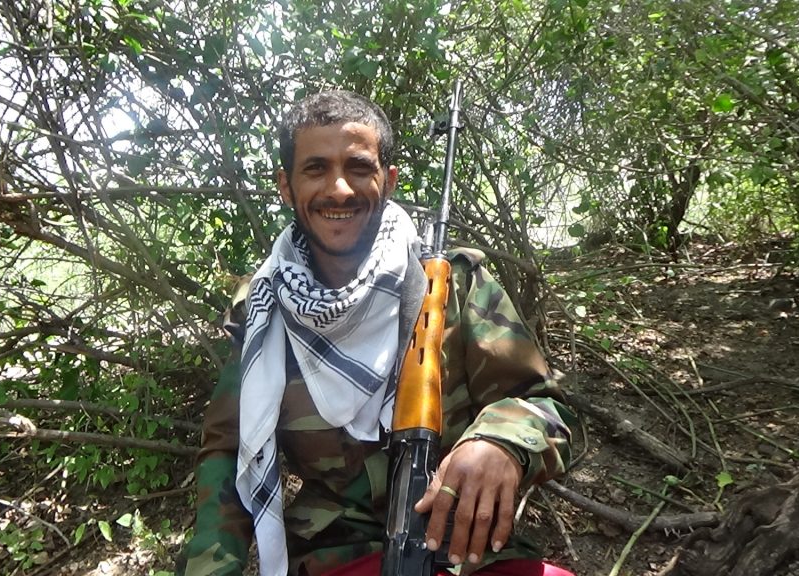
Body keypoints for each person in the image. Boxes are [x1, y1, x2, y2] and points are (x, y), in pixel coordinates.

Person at [177, 90, 575, 576]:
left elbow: (547, 408)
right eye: (315, 169)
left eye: (359, 167)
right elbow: (226, 452)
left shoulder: (452, 285)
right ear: (286, 187)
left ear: (388, 181)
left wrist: (501, 444)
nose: (339, 189)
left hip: (466, 551)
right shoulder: (262, 312)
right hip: (335, 554)